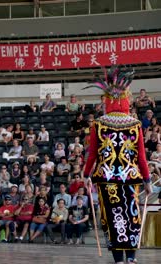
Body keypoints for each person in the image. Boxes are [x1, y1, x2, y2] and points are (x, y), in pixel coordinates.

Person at [83, 66, 151, 264]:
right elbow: (142, 159)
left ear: (107, 101)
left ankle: (118, 258)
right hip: (130, 177)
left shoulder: (98, 124)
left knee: (111, 218)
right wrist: (147, 181)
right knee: (131, 215)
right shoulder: (135, 124)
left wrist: (86, 175)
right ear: (126, 100)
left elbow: (92, 155)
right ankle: (131, 257)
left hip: (106, 179)